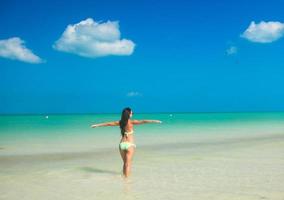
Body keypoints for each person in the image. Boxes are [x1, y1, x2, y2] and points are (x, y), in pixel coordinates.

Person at [91, 107, 162, 177]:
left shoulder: (120, 122)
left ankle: (124, 179)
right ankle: (127, 181)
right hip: (130, 144)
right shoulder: (131, 122)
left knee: (125, 163)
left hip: (121, 144)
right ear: (128, 114)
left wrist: (97, 125)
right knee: (128, 164)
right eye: (131, 113)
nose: (132, 114)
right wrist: (155, 121)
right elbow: (143, 121)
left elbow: (108, 124)